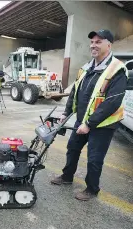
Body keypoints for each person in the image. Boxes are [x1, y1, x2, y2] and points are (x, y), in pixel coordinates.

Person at [50, 29, 129, 201]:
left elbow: (112, 102)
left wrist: (89, 124)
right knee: (72, 149)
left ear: (109, 44)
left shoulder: (117, 70)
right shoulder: (86, 67)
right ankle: (67, 177)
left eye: (98, 42)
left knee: (94, 159)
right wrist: (66, 112)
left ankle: (92, 189)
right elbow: (75, 92)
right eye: (92, 42)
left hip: (102, 125)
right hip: (82, 120)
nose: (93, 45)